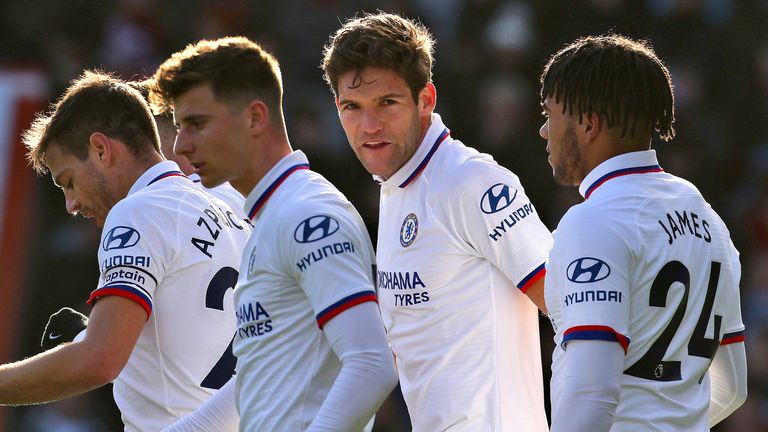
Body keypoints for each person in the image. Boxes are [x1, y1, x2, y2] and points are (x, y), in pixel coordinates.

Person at [150, 36, 397, 431]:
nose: (180, 144)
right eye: (179, 127)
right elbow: (251, 387)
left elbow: (372, 363)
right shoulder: (271, 218)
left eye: (196, 124)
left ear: (255, 117)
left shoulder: (307, 214)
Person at [322, 12, 552, 431]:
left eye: (386, 103)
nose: (369, 126)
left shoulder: (472, 181)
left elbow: (574, 304)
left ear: (425, 99)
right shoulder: (394, 186)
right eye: (352, 107)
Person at [17, 70, 249, 431]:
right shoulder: (230, 201)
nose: (71, 204)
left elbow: (99, 360)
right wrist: (93, 334)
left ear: (100, 149)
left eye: (69, 182)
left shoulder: (137, 211)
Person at [538, 34, 748, 431]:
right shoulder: (710, 221)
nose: (545, 131)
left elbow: (591, 392)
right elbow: (733, 388)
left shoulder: (593, 222)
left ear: (587, 122)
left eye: (550, 114)